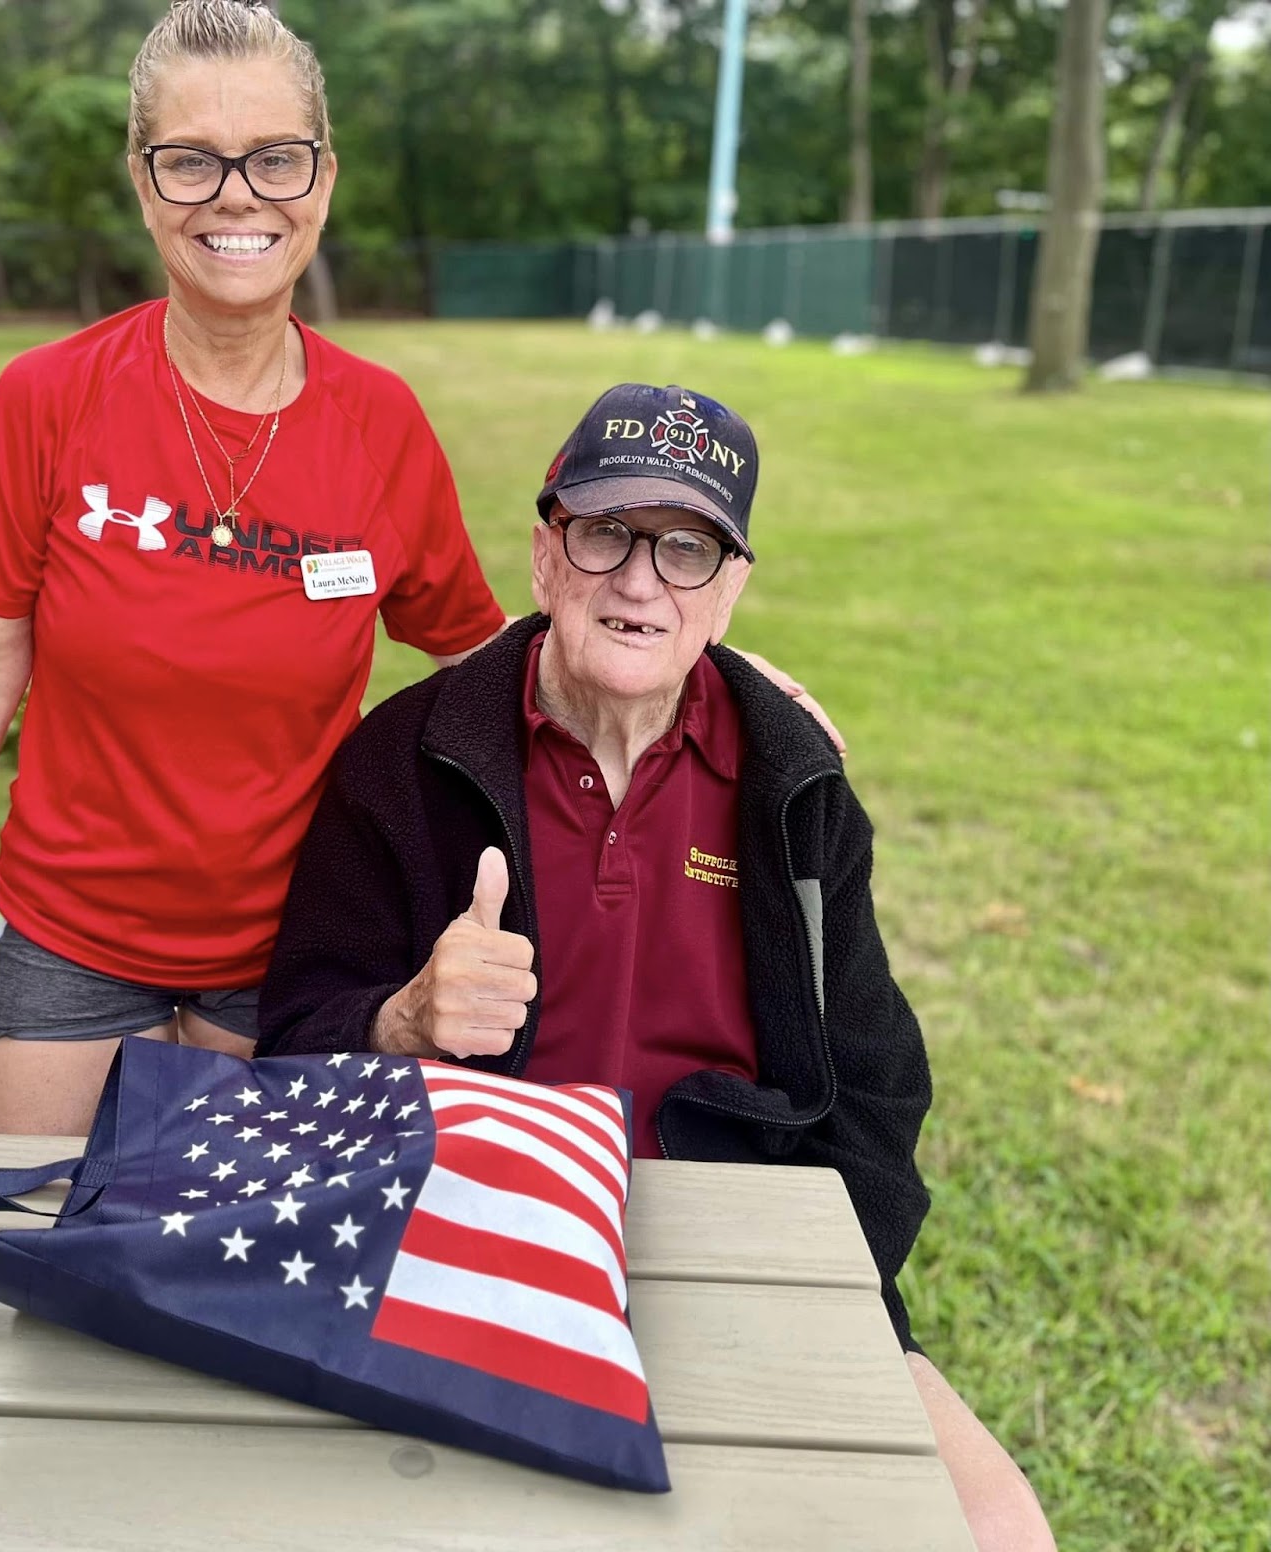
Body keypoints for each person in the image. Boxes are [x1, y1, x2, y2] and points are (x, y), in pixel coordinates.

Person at [0, 0, 840, 1137]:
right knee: (31, 1248)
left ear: (321, 181)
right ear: (142, 180)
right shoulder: (47, 398)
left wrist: (708, 673)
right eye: (191, 161)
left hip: (289, 954)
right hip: (69, 942)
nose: (236, 194)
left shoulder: (380, 426)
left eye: (275, 159)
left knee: (226, 1292)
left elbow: (492, 654)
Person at [258, 382, 1057, 1550]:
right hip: (481, 1248)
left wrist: (808, 1289)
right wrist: (404, 1018)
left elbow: (878, 1089)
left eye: (687, 548)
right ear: (544, 557)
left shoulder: (796, 788)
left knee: (996, 1529)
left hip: (742, 1250)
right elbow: (286, 1046)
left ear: (729, 590)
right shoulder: (404, 762)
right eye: (604, 534)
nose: (639, 582)